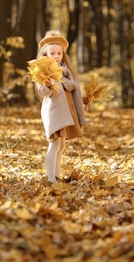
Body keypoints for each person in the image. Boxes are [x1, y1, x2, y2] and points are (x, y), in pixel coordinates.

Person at [35, 30, 87, 183]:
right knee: (55, 143)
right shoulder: (43, 71)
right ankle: (51, 179)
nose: (56, 56)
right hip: (54, 112)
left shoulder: (66, 72)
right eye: (52, 53)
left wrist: (82, 103)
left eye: (59, 53)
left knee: (61, 144)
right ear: (46, 55)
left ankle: (56, 175)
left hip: (66, 111)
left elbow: (72, 90)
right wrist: (49, 82)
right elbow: (43, 91)